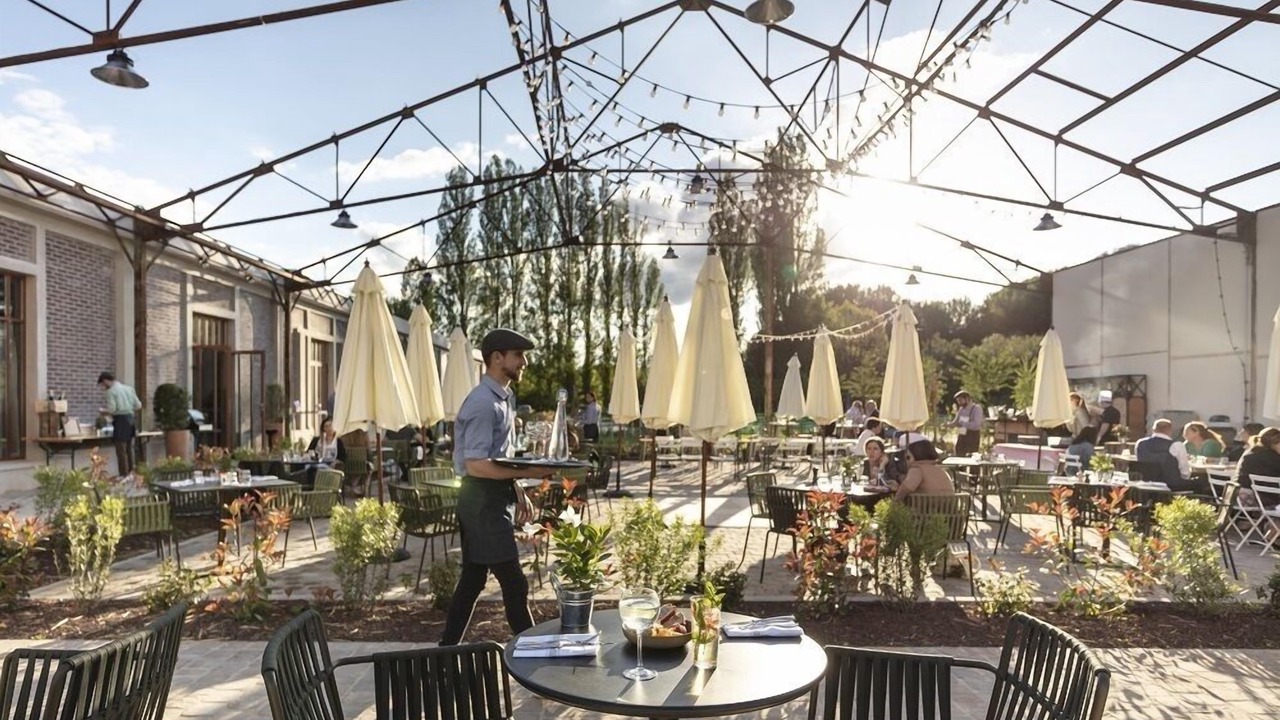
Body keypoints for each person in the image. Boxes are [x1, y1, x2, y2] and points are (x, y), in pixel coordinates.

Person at [440, 328, 548, 646]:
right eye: (518, 355)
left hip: (488, 496)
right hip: (481, 500)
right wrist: (533, 470)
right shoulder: (484, 404)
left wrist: (518, 488)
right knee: (514, 583)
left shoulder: (503, 399)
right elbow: (476, 464)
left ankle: (446, 650)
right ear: (497, 358)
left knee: (473, 580)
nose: (524, 362)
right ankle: (531, 653)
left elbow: (498, 459)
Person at [98, 372, 142, 477]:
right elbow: (138, 405)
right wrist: (128, 408)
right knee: (128, 449)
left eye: (103, 385)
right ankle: (131, 474)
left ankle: (124, 475)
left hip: (120, 421)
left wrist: (103, 411)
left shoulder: (111, 392)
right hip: (131, 419)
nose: (103, 387)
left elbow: (112, 409)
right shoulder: (129, 389)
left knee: (121, 451)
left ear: (105, 381)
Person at [1135, 418, 1190, 490]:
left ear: (1153, 430)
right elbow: (1185, 473)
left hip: (1145, 483)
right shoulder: (1177, 445)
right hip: (1171, 485)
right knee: (1202, 482)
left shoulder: (1140, 443)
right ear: (1170, 430)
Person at [949, 391, 984, 456]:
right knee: (959, 453)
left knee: (971, 456)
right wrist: (949, 425)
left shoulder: (976, 408)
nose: (959, 403)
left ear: (967, 399)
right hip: (962, 435)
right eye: (958, 401)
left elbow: (977, 424)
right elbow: (956, 422)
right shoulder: (961, 409)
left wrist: (963, 424)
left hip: (972, 436)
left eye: (960, 400)